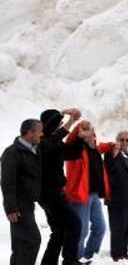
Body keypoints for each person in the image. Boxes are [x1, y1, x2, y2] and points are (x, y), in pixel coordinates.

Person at [37, 109, 83, 265]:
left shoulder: (54, 143)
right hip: (49, 194)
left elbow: (73, 153)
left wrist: (80, 138)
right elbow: (51, 133)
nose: (61, 125)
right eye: (59, 123)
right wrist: (66, 116)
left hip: (54, 193)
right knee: (74, 223)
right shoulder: (41, 142)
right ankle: (70, 261)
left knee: (59, 231)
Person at [64, 121, 110, 263]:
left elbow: (104, 146)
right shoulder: (76, 149)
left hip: (94, 195)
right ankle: (74, 259)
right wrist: (79, 129)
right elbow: (70, 139)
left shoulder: (95, 148)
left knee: (100, 228)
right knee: (81, 231)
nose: (90, 133)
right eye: (86, 131)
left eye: (91, 131)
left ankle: (88, 256)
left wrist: (114, 145)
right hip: (79, 195)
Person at [2, 119, 44, 265]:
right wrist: (11, 208)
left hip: (28, 204)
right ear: (29, 132)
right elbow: (7, 182)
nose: (42, 134)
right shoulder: (12, 152)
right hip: (18, 207)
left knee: (20, 244)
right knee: (32, 240)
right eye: (39, 131)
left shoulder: (33, 150)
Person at [104, 131, 128, 261]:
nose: (124, 142)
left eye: (127, 140)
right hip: (116, 198)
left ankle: (124, 251)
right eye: (122, 139)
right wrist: (115, 153)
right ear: (116, 140)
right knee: (118, 226)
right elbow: (108, 168)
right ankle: (116, 253)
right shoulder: (110, 153)